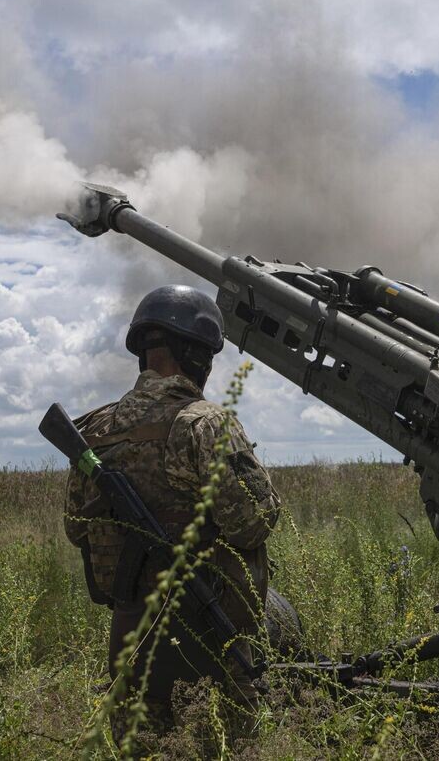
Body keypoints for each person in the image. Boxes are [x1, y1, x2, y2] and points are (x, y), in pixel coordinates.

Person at [63, 284, 280, 743]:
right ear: (196, 354)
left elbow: (75, 528)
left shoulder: (94, 432)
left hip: (128, 641)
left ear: (143, 353)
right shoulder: (204, 423)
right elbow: (251, 525)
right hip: (208, 639)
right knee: (225, 749)